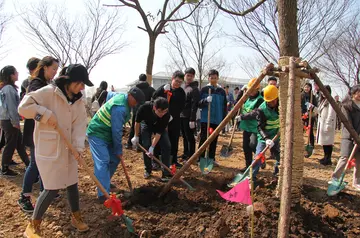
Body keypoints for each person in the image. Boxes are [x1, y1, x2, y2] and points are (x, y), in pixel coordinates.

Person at [19, 64, 94, 237]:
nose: (82, 87)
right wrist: (43, 114)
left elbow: (80, 125)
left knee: (72, 184)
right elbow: (23, 108)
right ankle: (33, 225)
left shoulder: (78, 100)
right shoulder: (47, 92)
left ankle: (76, 217)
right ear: (69, 81)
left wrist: (78, 147)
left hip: (69, 149)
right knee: (52, 188)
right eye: (80, 83)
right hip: (50, 148)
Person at [87, 87, 144, 202]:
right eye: (136, 101)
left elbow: (109, 95)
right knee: (103, 161)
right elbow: (116, 131)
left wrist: (117, 152)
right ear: (130, 96)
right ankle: (103, 194)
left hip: (107, 133)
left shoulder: (121, 96)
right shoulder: (120, 108)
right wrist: (118, 149)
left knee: (114, 159)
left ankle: (104, 182)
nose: (136, 104)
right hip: (97, 132)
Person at [18, 56, 60, 212]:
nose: (55, 72)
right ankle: (24, 197)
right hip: (33, 131)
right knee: (35, 164)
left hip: (42, 131)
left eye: (57, 69)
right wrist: (44, 116)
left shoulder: (45, 84)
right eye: (53, 68)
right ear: (44, 68)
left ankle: (46, 190)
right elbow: (27, 110)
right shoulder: (36, 85)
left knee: (44, 162)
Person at [236, 85, 280, 186]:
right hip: (264, 136)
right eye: (269, 101)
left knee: (280, 157)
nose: (271, 103)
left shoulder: (281, 106)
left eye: (273, 101)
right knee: (258, 157)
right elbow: (260, 127)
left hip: (277, 135)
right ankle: (252, 178)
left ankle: (277, 175)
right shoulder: (261, 109)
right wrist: (266, 139)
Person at [131, 97, 172, 181]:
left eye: (164, 111)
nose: (162, 114)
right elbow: (137, 122)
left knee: (167, 145)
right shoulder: (144, 107)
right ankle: (148, 170)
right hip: (146, 124)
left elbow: (159, 133)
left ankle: (166, 173)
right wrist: (136, 136)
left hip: (159, 126)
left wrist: (152, 147)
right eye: (160, 111)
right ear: (154, 108)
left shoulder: (166, 115)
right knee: (146, 145)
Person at [0, 66, 29, 177]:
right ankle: (5, 168)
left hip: (8, 119)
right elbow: (11, 107)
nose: (17, 73)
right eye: (16, 72)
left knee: (19, 144)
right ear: (11, 75)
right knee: (10, 144)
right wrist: (15, 121)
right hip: (9, 120)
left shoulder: (7, 88)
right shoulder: (8, 89)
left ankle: (28, 163)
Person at [152, 71, 185, 168]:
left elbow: (182, 106)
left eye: (180, 82)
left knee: (174, 140)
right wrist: (162, 90)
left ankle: (173, 160)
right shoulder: (164, 88)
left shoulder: (181, 92)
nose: (178, 83)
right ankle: (156, 160)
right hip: (162, 120)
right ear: (172, 78)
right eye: (177, 81)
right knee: (159, 139)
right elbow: (154, 98)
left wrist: (173, 115)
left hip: (174, 120)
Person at [330, 85, 360, 191]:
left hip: (359, 138)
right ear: (353, 93)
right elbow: (347, 123)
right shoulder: (347, 106)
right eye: (358, 92)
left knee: (358, 161)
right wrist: (354, 136)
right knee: (344, 157)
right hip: (348, 136)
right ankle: (335, 177)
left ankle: (356, 181)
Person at [198, 69, 227, 167]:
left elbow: (224, 107)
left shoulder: (221, 91)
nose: (213, 80)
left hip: (217, 119)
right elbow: (199, 104)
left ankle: (211, 159)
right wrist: (205, 100)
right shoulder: (204, 90)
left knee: (214, 140)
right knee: (204, 139)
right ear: (208, 78)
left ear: (218, 78)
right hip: (206, 119)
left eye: (215, 78)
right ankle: (200, 158)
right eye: (212, 78)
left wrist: (224, 119)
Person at [238, 78, 264, 171]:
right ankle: (248, 166)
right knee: (246, 147)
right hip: (246, 126)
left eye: (253, 90)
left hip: (255, 127)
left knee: (252, 144)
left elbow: (255, 113)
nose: (251, 92)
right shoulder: (247, 97)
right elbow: (238, 102)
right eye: (250, 89)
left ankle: (260, 158)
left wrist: (243, 117)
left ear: (257, 89)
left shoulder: (260, 100)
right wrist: (241, 91)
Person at [126, 74, 155, 150]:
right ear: (146, 79)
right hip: (146, 112)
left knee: (134, 127)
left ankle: (129, 144)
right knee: (143, 128)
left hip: (136, 110)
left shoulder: (134, 89)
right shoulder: (151, 89)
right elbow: (154, 99)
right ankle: (140, 146)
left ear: (139, 79)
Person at [180, 67, 200, 162]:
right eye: (188, 75)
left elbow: (194, 105)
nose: (189, 77)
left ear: (193, 77)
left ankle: (191, 155)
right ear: (185, 76)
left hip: (189, 116)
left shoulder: (194, 89)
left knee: (190, 137)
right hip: (181, 115)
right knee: (184, 136)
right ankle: (185, 153)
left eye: (191, 76)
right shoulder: (183, 87)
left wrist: (192, 119)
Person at [316, 85, 336, 166]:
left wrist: (328, 124)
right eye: (322, 91)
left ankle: (328, 159)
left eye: (325, 91)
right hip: (322, 123)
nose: (323, 93)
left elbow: (331, 113)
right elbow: (319, 111)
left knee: (328, 143)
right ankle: (325, 157)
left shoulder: (331, 100)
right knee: (324, 143)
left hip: (327, 124)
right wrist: (313, 108)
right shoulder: (323, 100)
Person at [301, 82, 318, 157]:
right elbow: (299, 104)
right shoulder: (301, 95)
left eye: (308, 87)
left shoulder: (313, 96)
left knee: (310, 131)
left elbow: (315, 106)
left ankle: (311, 146)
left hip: (310, 116)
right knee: (300, 130)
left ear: (310, 88)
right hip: (302, 115)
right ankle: (300, 145)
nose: (306, 88)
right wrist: (303, 112)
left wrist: (311, 108)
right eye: (305, 87)